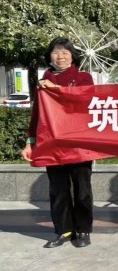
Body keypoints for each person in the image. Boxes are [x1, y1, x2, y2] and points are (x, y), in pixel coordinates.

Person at [21, 37, 95, 248]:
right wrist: (30, 142)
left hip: (78, 142)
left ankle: (83, 229)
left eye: (65, 52)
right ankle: (64, 230)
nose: (60, 56)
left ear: (72, 56)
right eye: (55, 52)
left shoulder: (83, 78)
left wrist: (56, 88)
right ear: (49, 56)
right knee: (58, 190)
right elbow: (37, 114)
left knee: (82, 189)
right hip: (52, 144)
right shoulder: (43, 81)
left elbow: (84, 102)